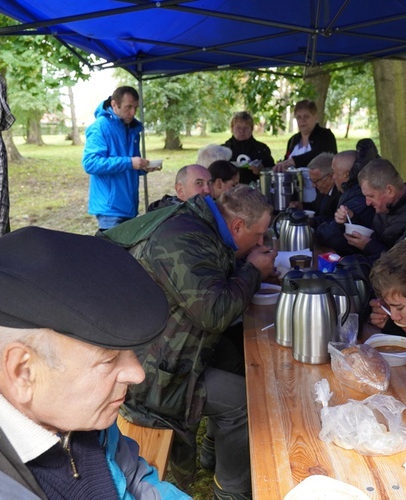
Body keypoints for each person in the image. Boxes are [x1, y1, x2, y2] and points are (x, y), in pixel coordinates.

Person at [0, 226, 187, 499]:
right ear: (23, 371)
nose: (137, 374)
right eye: (109, 359)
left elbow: (132, 481)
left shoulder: (71, 402)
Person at [103, 185, 276, 499]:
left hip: (168, 350)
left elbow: (207, 280)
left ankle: (211, 451)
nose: (261, 242)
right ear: (238, 226)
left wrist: (246, 270)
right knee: (241, 400)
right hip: (151, 373)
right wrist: (253, 270)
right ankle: (231, 492)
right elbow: (214, 313)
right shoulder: (184, 239)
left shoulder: (198, 225)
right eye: (259, 235)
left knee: (236, 359)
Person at [83, 86, 159, 230]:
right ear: (114, 105)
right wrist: (129, 162)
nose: (133, 112)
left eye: (135, 108)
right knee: (112, 252)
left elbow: (130, 167)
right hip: (110, 208)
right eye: (128, 107)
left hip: (129, 204)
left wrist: (144, 167)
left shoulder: (132, 129)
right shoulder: (100, 127)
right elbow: (90, 163)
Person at [341, 157, 406, 262]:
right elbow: (378, 236)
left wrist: (368, 246)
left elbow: (402, 263)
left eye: (371, 196)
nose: (367, 203)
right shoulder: (386, 206)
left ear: (390, 190)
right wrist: (351, 218)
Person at [315, 145, 376, 253]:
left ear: (346, 175)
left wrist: (314, 231)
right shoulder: (350, 191)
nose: (333, 177)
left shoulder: (358, 196)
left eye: (334, 172)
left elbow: (334, 236)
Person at [274, 99, 337, 171]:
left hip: (321, 181)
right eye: (299, 117)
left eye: (306, 116)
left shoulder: (325, 135)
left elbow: (319, 156)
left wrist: (293, 161)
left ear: (316, 117)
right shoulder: (293, 140)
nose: (302, 120)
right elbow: (287, 160)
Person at [222, 111, 275, 185]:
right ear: (232, 129)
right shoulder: (223, 150)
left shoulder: (262, 149)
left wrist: (261, 170)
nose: (242, 131)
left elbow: (272, 171)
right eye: (238, 128)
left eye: (246, 128)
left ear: (252, 129)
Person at [147, 164, 212, 211]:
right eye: (199, 183)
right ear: (180, 190)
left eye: (209, 183)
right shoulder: (175, 221)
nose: (207, 190)